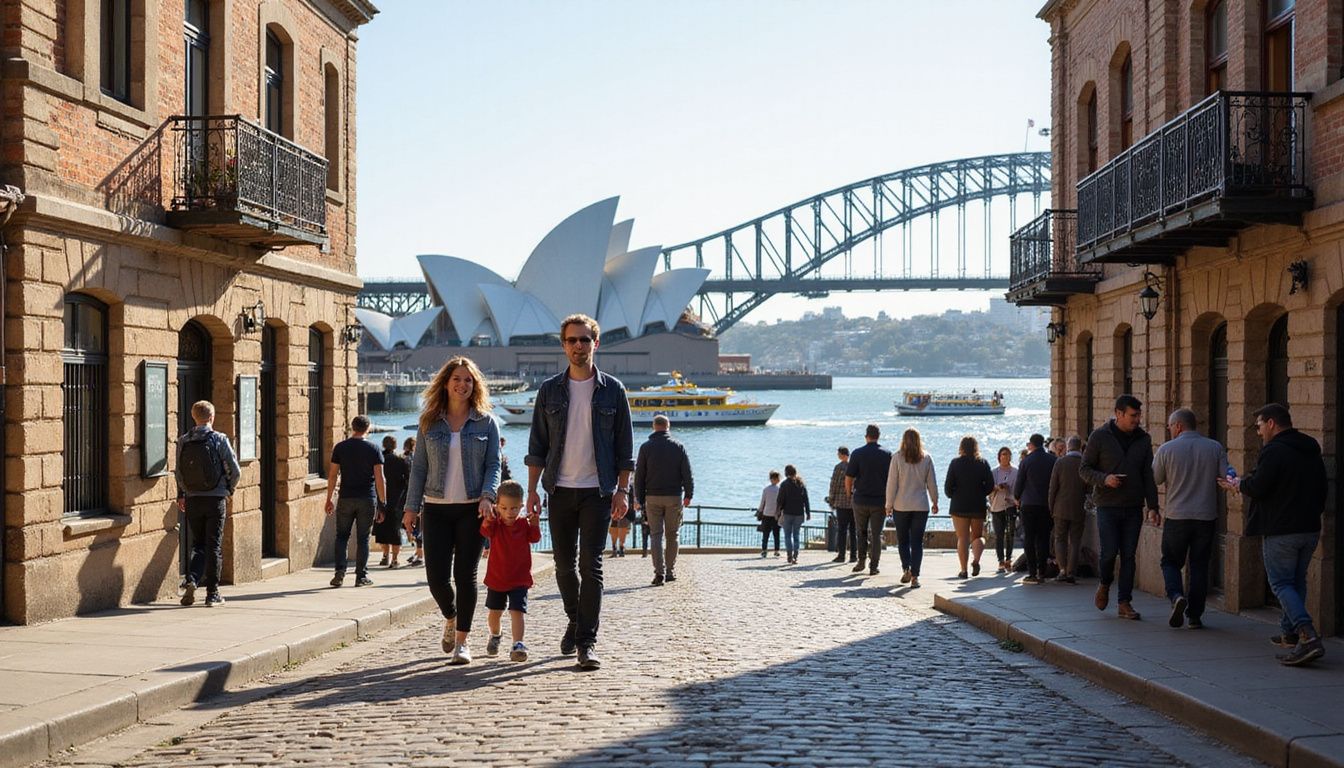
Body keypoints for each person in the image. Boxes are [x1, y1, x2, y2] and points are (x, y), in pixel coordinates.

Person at [525, 314, 634, 671]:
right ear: (563, 345)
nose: (578, 346)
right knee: (563, 566)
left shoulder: (614, 391)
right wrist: (531, 491)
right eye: (572, 340)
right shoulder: (549, 390)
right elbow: (537, 445)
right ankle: (575, 619)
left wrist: (623, 490)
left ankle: (587, 641)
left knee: (592, 566)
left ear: (595, 344)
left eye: (584, 340)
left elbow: (624, 448)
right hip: (559, 489)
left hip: (598, 492)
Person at [402, 356, 501, 665]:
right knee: (436, 579)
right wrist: (410, 508)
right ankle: (451, 615)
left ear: (475, 385)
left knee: (466, 576)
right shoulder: (429, 421)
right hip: (435, 509)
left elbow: (493, 465)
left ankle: (462, 641)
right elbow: (418, 469)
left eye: (468, 380)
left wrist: (487, 496)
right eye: (457, 379)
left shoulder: (486, 421)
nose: (463, 384)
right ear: (446, 383)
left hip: (472, 509)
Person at [1221, 403, 1328, 666]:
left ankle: (1308, 635)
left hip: (1281, 530)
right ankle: (1290, 635)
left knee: (1280, 583)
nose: (1258, 432)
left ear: (1271, 423)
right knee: (1296, 581)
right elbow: (1322, 487)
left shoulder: (1274, 451)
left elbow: (1259, 486)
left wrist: (1238, 485)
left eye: (1259, 426)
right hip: (1309, 527)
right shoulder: (1310, 449)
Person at [1081, 395, 1160, 620]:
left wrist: (1153, 506)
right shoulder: (1099, 437)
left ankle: (1124, 602)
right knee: (1108, 553)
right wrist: (1104, 479)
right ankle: (1104, 584)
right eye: (1133, 416)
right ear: (1119, 414)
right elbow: (1084, 469)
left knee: (1128, 556)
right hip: (1107, 504)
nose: (1137, 420)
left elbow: (1148, 474)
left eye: (1139, 416)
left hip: (1133, 506)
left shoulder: (1143, 439)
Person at [1153, 409, 1231, 629]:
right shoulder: (1214, 447)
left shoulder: (1166, 449)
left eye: (1170, 426)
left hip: (1177, 516)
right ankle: (1195, 615)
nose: (1169, 430)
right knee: (1199, 565)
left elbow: (1156, 478)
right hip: (1205, 516)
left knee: (1170, 561)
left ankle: (1176, 596)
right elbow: (1225, 477)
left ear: (1178, 426)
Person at [175, 400, 242, 607]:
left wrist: (183, 494)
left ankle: (192, 579)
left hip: (193, 499)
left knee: (198, 543)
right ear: (211, 417)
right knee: (214, 545)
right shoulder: (219, 439)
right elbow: (234, 469)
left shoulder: (183, 441)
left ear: (194, 417)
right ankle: (212, 593)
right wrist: (228, 489)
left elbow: (179, 472)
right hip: (216, 498)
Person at [480, 480, 541, 662]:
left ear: (521, 506)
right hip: (497, 578)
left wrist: (535, 524)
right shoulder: (495, 524)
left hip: (519, 578)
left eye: (514, 508)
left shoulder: (523, 525)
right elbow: (485, 531)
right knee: (494, 613)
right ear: (497, 506)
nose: (509, 513)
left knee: (517, 611)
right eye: (504, 508)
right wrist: (489, 517)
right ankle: (496, 634)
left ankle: (518, 643)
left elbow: (535, 538)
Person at [324, 415, 387, 589]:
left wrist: (329, 498)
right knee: (363, 538)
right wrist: (383, 503)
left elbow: (332, 475)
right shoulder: (374, 448)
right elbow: (380, 478)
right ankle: (361, 576)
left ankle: (339, 573)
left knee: (341, 536)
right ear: (368, 428)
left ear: (352, 427)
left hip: (345, 497)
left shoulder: (340, 447)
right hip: (367, 498)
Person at [633, 414, 694, 586]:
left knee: (656, 535)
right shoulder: (678, 446)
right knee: (672, 534)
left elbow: (639, 476)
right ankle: (670, 571)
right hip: (674, 496)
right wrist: (689, 494)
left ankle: (658, 573)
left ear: (654, 426)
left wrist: (639, 498)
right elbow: (687, 473)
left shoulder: (645, 448)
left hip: (652, 497)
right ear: (668, 426)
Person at [884, 428, 939, 588]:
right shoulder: (927, 458)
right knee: (917, 542)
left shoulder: (897, 458)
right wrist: (935, 501)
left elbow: (891, 484)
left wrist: (888, 505)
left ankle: (906, 567)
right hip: (921, 505)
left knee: (903, 541)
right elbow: (932, 483)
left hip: (901, 505)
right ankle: (915, 576)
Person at [845, 425, 892, 576]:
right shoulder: (887, 454)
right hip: (880, 501)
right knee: (876, 534)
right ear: (879, 435)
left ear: (866, 436)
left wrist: (849, 493)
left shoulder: (857, 453)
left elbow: (849, 477)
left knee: (861, 532)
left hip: (860, 499)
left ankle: (861, 561)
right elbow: (892, 479)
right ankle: (874, 566)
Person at [945, 435, 994, 579]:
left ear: (961, 447)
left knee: (962, 538)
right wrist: (981, 493)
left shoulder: (955, 463)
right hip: (977, 505)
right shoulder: (983, 463)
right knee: (978, 537)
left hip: (959, 505)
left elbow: (948, 487)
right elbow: (990, 485)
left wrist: (953, 495)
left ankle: (963, 570)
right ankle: (976, 560)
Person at [1014, 433, 1057, 584]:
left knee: (1029, 538)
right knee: (1044, 538)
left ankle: (1032, 572)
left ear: (1031, 445)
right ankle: (1042, 571)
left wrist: (1017, 497)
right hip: (1046, 504)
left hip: (1029, 504)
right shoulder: (1053, 460)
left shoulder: (1026, 461)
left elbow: (1019, 484)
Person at [1048, 436, 1088, 584]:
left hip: (1060, 508)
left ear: (1068, 447)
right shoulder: (1084, 464)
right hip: (1078, 507)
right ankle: (1071, 571)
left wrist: (1051, 506)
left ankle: (1062, 570)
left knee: (1060, 539)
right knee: (1076, 540)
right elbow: (1089, 487)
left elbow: (1053, 488)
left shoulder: (1060, 462)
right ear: (1080, 448)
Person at [374, 435, 409, 568]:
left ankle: (385, 555)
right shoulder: (401, 461)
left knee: (381, 529)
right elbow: (408, 481)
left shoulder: (379, 459)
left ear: (383, 445)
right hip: (397, 500)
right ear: (395, 446)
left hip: (380, 498)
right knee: (395, 531)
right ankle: (394, 559)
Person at [989, 447, 1018, 574]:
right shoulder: (994, 472)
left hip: (1010, 505)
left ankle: (1008, 559)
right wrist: (997, 487)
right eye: (1003, 454)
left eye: (1007, 454)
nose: (1005, 457)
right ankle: (1000, 560)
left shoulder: (1016, 471)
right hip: (996, 506)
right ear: (999, 456)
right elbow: (989, 488)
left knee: (1010, 534)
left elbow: (1018, 487)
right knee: (999, 535)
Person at [827, 447, 856, 564]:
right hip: (854, 503)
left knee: (842, 530)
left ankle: (841, 555)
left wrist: (831, 500)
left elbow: (834, 484)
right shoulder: (854, 467)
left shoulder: (839, 468)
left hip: (841, 502)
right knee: (854, 530)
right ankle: (854, 555)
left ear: (841, 454)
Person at [777, 464, 811, 564]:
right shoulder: (801, 484)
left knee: (788, 535)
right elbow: (806, 500)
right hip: (799, 514)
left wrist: (778, 511)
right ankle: (795, 556)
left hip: (787, 513)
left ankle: (789, 555)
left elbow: (780, 500)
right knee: (796, 535)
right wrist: (808, 512)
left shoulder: (784, 484)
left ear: (786, 473)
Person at [402, 437, 424, 567]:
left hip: (409, 495)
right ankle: (419, 552)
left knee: (414, 526)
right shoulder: (414, 459)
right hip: (418, 496)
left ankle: (419, 552)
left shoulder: (405, 458)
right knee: (419, 525)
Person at [758, 470, 782, 558]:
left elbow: (762, 502)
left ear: (770, 479)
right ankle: (776, 550)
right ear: (778, 479)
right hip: (776, 515)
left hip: (766, 514)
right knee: (776, 534)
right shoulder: (780, 490)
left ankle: (764, 550)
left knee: (765, 534)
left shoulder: (766, 490)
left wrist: (760, 511)